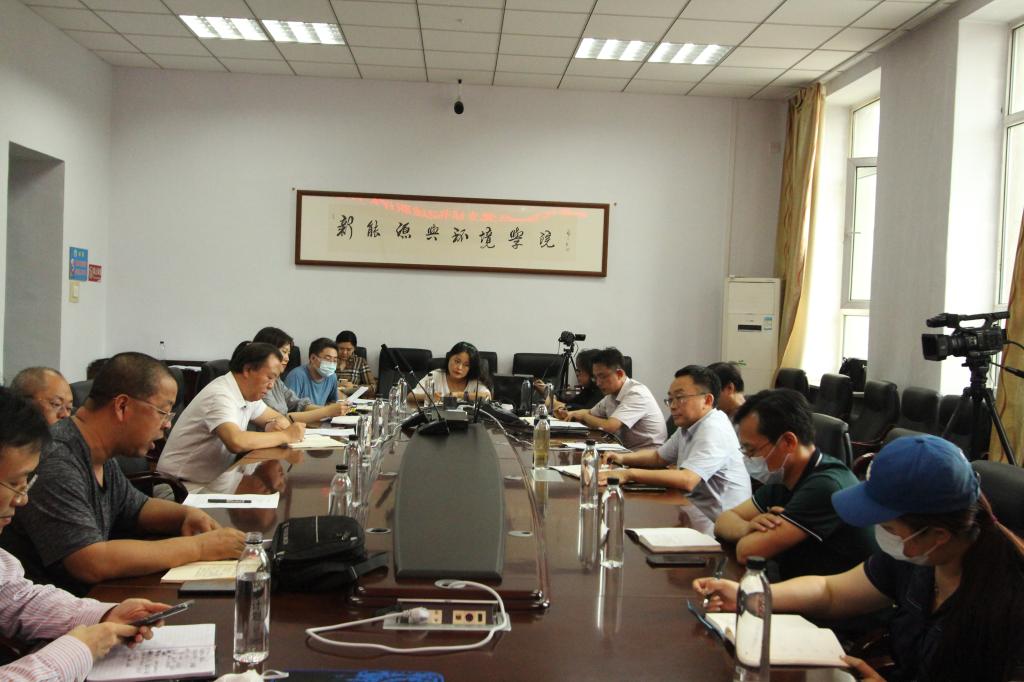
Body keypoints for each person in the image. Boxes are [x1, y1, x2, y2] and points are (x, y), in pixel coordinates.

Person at [695, 435, 1024, 682]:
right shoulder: (916, 559)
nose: (881, 534)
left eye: (888, 527)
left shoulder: (1008, 603)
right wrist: (753, 596)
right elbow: (830, 592)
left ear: (937, 535)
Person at [0, 353, 247, 597]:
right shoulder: (57, 458)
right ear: (122, 406)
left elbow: (137, 508)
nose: (167, 424)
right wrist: (199, 547)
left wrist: (187, 514)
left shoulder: (98, 452)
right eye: (163, 412)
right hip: (53, 610)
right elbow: (90, 561)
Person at [0, 387, 174, 681]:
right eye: (15, 483)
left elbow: (16, 599)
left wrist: (104, 615)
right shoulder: (61, 457)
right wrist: (79, 649)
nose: (22, 499)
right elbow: (90, 560)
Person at [713, 389, 876, 579]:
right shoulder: (783, 476)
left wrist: (747, 534)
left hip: (839, 595)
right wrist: (747, 527)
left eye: (752, 450)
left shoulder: (825, 486)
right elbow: (724, 520)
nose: (748, 458)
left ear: (788, 442)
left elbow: (747, 552)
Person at [598, 365, 750, 522]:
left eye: (680, 398)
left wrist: (628, 474)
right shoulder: (690, 425)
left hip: (722, 523)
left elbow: (687, 479)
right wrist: (622, 458)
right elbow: (658, 457)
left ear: (707, 400)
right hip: (695, 510)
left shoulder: (714, 428)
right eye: (670, 399)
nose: (673, 406)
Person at [157, 342, 305, 494]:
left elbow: (278, 417)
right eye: (269, 377)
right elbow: (236, 441)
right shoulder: (220, 394)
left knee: (263, 494)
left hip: (217, 480)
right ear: (248, 370)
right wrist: (285, 435)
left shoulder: (248, 393)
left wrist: (272, 424)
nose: (271, 386)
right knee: (261, 497)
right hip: (180, 487)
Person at [558, 347, 666, 450]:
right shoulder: (611, 395)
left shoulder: (636, 393)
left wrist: (583, 416)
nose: (598, 383)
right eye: (595, 377)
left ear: (619, 374)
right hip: (624, 450)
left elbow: (609, 426)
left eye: (602, 376)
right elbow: (591, 413)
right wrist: (569, 414)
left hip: (647, 455)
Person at [247, 328, 349, 425]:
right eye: (284, 352)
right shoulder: (258, 383)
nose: (287, 358)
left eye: (288, 353)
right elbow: (279, 419)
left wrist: (331, 410)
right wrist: (326, 411)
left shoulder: (277, 381)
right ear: (265, 350)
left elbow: (297, 404)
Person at [411, 342, 492, 403]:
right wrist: (429, 397)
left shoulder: (474, 380)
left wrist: (459, 395)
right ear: (449, 358)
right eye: (457, 361)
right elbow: (410, 397)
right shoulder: (435, 375)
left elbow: (487, 397)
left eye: (466, 365)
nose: (459, 367)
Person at [534, 348, 603, 412]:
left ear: (592, 373)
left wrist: (553, 402)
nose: (577, 373)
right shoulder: (588, 390)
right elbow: (570, 403)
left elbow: (586, 411)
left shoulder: (601, 391)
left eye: (579, 370)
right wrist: (547, 392)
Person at [284, 337, 341, 406]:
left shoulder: (332, 376)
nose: (331, 364)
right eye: (328, 359)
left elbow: (332, 402)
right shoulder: (296, 376)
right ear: (313, 358)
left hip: (322, 412)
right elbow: (289, 407)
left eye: (335, 360)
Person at [335, 330, 377, 397]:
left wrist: (354, 387)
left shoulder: (360, 362)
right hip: (331, 400)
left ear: (354, 348)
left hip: (353, 400)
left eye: (348, 349)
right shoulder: (329, 360)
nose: (344, 352)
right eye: (341, 349)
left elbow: (373, 387)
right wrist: (336, 384)